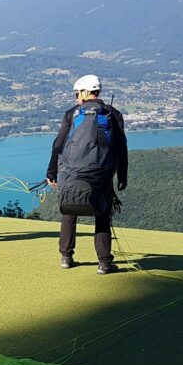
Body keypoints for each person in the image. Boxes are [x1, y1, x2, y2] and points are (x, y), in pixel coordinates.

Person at [46, 75, 128, 274]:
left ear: (84, 92)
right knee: (102, 215)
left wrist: (52, 172)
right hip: (102, 173)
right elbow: (120, 148)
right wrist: (122, 175)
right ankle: (104, 262)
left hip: (72, 172)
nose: (76, 98)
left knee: (69, 210)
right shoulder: (112, 113)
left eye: (77, 94)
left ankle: (66, 256)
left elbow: (58, 145)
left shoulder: (72, 114)